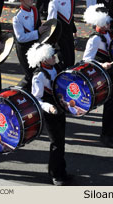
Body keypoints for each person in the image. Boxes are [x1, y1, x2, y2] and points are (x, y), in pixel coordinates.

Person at [27, 42, 72, 186]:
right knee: (56, 143)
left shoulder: (56, 68)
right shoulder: (38, 76)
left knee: (61, 142)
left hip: (60, 108)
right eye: (51, 56)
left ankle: (62, 171)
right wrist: (49, 107)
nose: (54, 57)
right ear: (44, 58)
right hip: (49, 112)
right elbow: (37, 99)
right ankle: (55, 174)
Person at [83, 4, 113, 148]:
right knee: (109, 103)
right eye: (106, 21)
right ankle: (106, 135)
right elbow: (86, 60)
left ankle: (111, 133)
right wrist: (101, 65)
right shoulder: (95, 39)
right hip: (103, 75)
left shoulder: (110, 33)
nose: (109, 23)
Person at [9, 0, 43, 90]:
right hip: (23, 48)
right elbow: (20, 38)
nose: (32, 0)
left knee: (38, 72)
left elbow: (38, 25)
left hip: (34, 45)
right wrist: (37, 32)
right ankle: (20, 92)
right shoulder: (17, 18)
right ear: (22, 0)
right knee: (30, 75)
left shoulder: (35, 10)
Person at [47, 0, 78, 68]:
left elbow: (70, 16)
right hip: (60, 36)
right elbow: (51, 22)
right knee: (65, 60)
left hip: (69, 34)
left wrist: (74, 30)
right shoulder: (55, 1)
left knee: (71, 59)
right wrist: (53, 41)